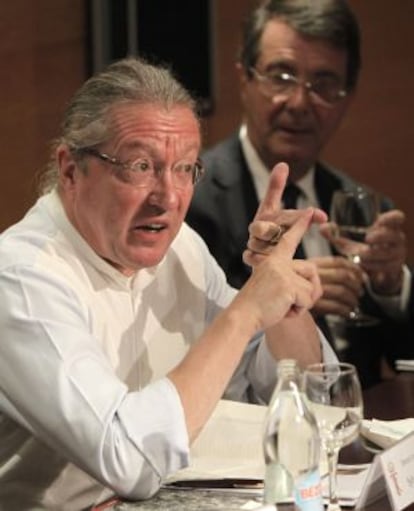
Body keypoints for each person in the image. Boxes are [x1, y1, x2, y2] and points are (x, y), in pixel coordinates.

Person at [0, 57, 336, 510]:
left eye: (184, 169)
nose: (168, 198)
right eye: (140, 166)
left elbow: (302, 394)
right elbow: (128, 458)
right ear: (70, 170)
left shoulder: (180, 248)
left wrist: (279, 293)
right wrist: (246, 311)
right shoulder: (21, 278)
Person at [186, 0, 414, 389]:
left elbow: (403, 359)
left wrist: (391, 286)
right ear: (245, 78)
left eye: (323, 85)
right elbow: (186, 339)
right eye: (282, 76)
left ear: (346, 97)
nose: (299, 103)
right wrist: (283, 300)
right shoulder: (191, 197)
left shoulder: (362, 209)